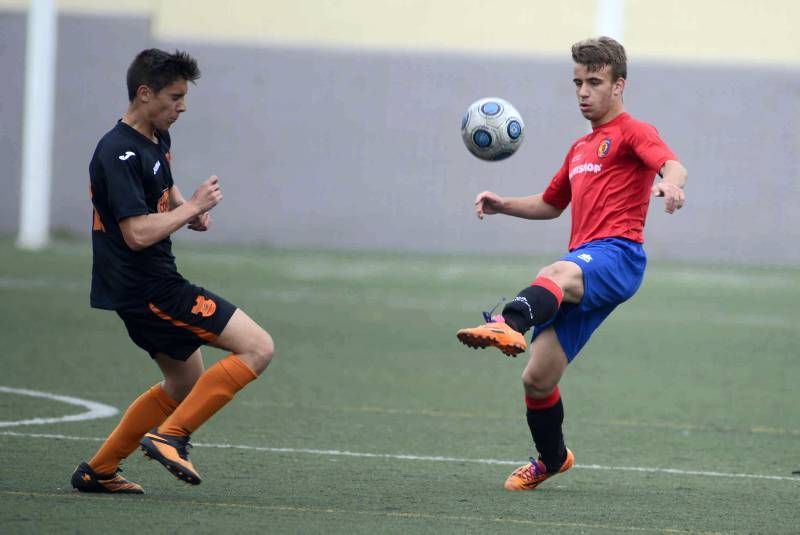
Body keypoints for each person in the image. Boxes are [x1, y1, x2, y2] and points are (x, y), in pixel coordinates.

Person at [456, 37, 687, 491]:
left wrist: (672, 186)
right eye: (578, 82)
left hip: (617, 255)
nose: (584, 91)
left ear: (618, 85)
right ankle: (553, 458)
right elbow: (549, 203)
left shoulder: (633, 131)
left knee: (554, 272)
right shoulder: (579, 149)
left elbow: (672, 165)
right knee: (537, 379)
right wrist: (502, 204)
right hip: (584, 264)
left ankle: (507, 322)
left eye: (595, 82)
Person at [71, 49, 274, 494]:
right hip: (148, 289)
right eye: (175, 96)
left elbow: (164, 189)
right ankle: (171, 436)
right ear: (145, 94)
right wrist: (194, 208)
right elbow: (137, 234)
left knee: (184, 382)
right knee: (258, 348)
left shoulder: (155, 137)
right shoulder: (117, 153)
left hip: (149, 284)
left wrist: (186, 210)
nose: (182, 106)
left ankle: (98, 470)